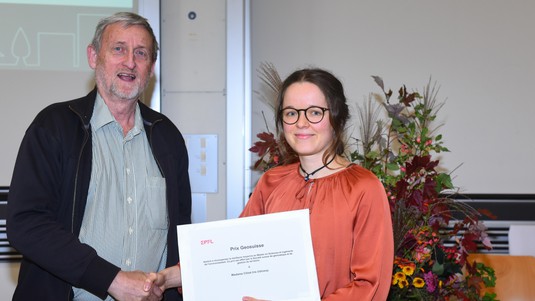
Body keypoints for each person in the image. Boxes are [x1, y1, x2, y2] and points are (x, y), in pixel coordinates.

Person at [146, 68, 394, 300]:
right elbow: (234, 254)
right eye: (291, 113)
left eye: (315, 112)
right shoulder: (272, 182)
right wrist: (169, 277)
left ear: (337, 117)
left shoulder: (363, 188)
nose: (301, 122)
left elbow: (369, 285)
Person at [7, 12, 191, 301]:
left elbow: (180, 233)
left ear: (151, 67)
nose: (130, 61)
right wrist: (111, 280)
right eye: (118, 49)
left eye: (140, 53)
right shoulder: (54, 126)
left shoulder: (168, 138)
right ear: (93, 56)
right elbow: (25, 223)